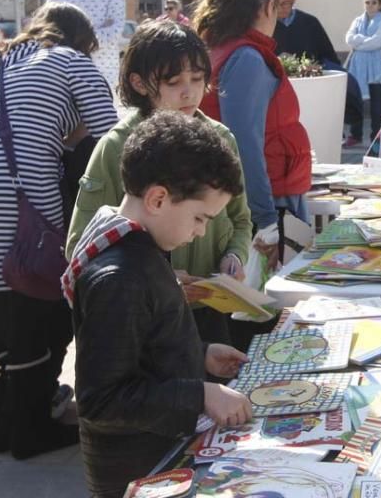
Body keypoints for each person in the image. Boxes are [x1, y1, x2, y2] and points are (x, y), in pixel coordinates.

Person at [0, 2, 117, 458]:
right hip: (18, 193)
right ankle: (29, 430)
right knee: (36, 307)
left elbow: (14, 124)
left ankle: (5, 419)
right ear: (82, 40)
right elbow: (114, 136)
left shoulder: (1, 60)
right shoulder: (72, 61)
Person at [64, 111, 253, 498]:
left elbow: (142, 346)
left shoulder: (142, 247)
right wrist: (201, 394)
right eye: (200, 218)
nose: (200, 231)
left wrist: (198, 354)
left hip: (156, 457)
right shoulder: (120, 277)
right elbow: (101, 400)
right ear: (158, 198)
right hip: (139, 470)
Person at [66, 21, 255, 348]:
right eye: (173, 82)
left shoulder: (221, 140)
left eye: (197, 79)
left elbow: (240, 219)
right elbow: (83, 244)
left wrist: (235, 256)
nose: (189, 92)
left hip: (208, 311)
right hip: (143, 319)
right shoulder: (116, 147)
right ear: (139, 83)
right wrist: (157, 281)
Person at [196, 0, 312, 284]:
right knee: (269, 306)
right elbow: (243, 144)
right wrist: (266, 221)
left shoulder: (220, 49)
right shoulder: (245, 57)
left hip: (255, 194)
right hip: (267, 198)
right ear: (266, 7)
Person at [270, 0, 365, 147]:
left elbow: (330, 59)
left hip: (311, 100)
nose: (283, 8)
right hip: (276, 101)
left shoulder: (310, 23)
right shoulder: (265, 24)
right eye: (278, 3)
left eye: (288, 3)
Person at [344, 0, 381, 145]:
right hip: (358, 67)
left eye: (374, 2)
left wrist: (359, 42)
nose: (370, 5)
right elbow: (349, 39)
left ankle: (376, 138)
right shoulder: (357, 21)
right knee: (356, 100)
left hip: (379, 67)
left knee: (377, 104)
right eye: (367, 2)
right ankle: (355, 136)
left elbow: (377, 43)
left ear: (380, 5)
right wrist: (363, 41)